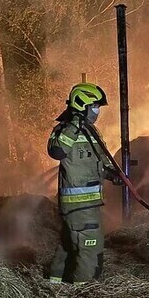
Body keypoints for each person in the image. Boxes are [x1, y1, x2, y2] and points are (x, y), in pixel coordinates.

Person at [47, 82, 118, 283]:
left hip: (88, 204)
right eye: (94, 106)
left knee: (69, 246)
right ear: (82, 105)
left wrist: (112, 174)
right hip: (79, 205)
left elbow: (100, 159)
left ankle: (55, 287)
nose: (97, 111)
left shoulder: (92, 131)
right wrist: (74, 125)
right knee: (90, 252)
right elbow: (57, 151)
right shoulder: (64, 130)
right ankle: (81, 296)